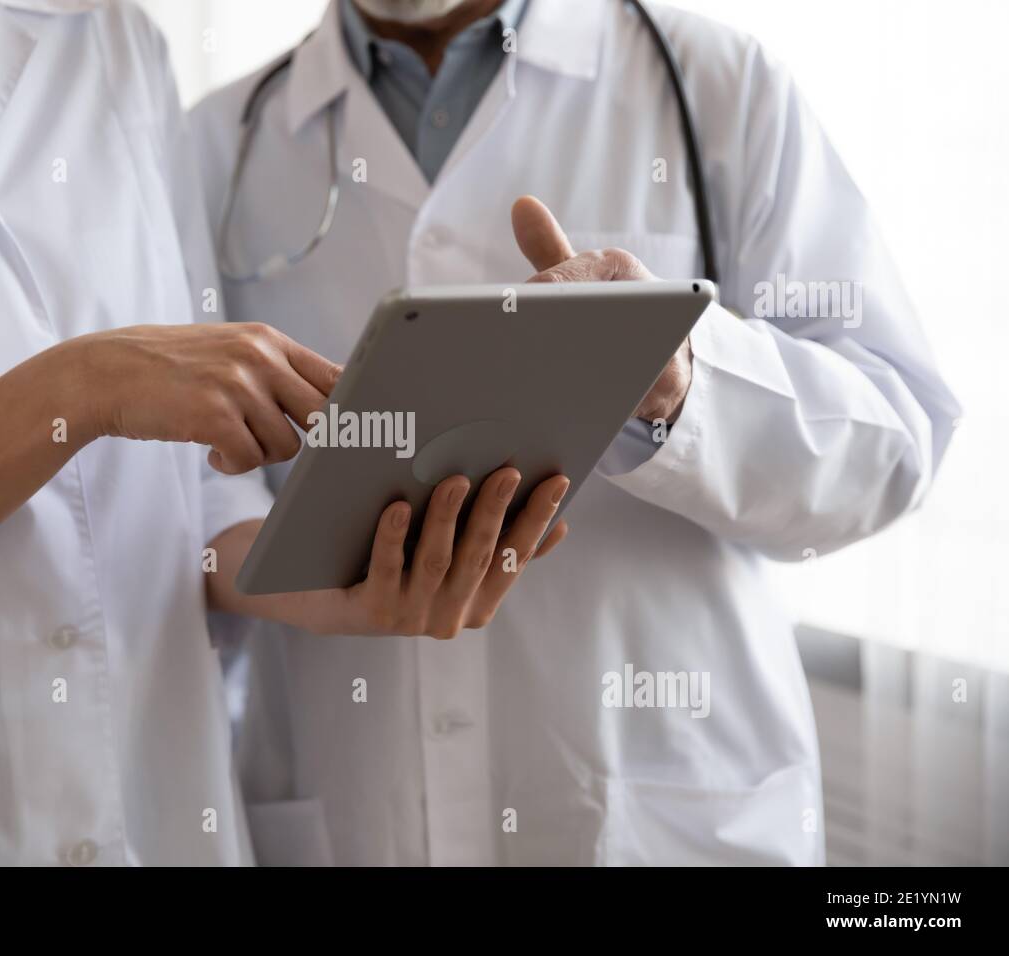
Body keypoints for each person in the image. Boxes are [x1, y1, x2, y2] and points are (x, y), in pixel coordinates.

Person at [0, 0, 566, 865]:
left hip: (153, 809)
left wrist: (321, 576)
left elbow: (194, 485)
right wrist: (81, 387)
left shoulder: (111, 35)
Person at [191, 0, 962, 864]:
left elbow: (895, 440)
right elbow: (173, 491)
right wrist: (255, 551)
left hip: (664, 813)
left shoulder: (717, 85)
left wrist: (686, 381)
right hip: (355, 808)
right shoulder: (219, 142)